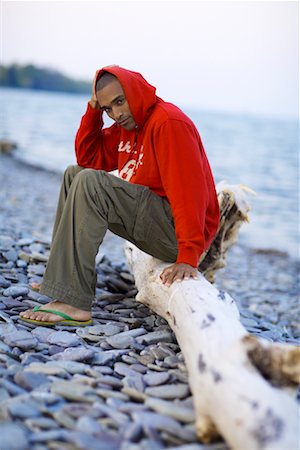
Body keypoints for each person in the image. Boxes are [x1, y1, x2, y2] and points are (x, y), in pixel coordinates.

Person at [20, 65, 220, 326]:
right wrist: (93, 110)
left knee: (91, 182)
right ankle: (61, 278)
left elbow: (189, 193)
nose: (116, 114)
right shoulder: (127, 126)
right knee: (75, 173)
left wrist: (188, 257)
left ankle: (73, 302)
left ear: (134, 91)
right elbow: (88, 157)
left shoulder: (168, 123)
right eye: (108, 109)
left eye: (119, 102)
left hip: (177, 234)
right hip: (157, 220)